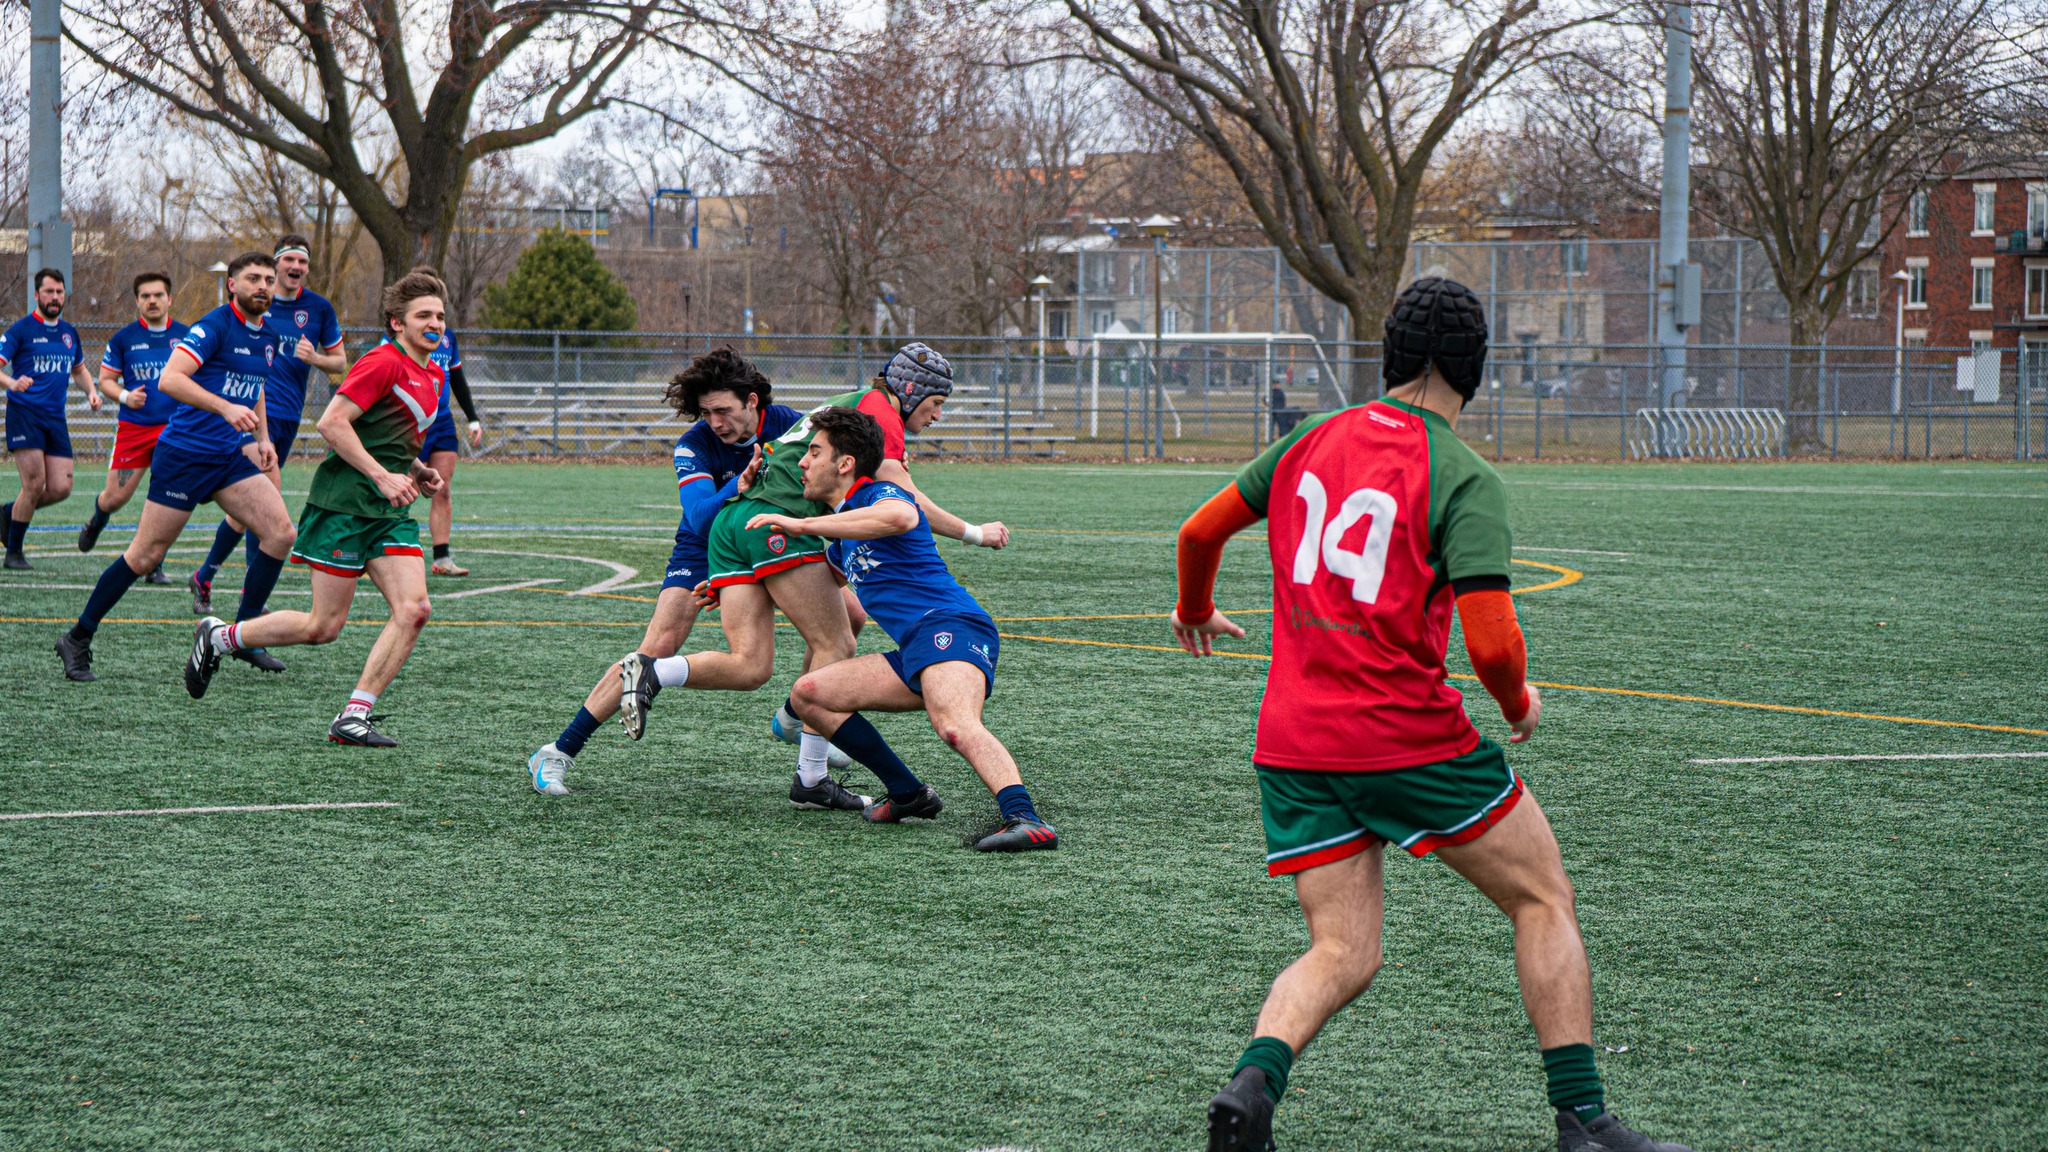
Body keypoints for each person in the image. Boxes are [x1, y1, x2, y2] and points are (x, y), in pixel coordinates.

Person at [1174, 278, 1689, 1152]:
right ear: (1474, 368)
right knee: (1541, 897)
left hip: (1295, 743)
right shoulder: (1463, 474)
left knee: (1343, 950)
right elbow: (1490, 644)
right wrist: (1519, 703)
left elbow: (1197, 533)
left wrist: (1193, 609)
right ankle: (1584, 1121)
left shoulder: (1307, 439)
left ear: (1392, 355)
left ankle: (1253, 1087)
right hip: (1404, 739)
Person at [612, 343, 1009, 791]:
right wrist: (975, 532)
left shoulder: (852, 405)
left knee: (758, 662)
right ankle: (812, 775)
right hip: (770, 523)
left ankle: (672, 676)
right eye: (936, 404)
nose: (937, 416)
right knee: (835, 641)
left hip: (740, 525)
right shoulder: (880, 412)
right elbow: (906, 503)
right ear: (911, 391)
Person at [528, 347, 849, 801]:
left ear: (753, 401)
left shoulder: (795, 427)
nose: (715, 422)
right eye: (706, 412)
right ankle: (558, 751)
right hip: (705, 545)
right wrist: (736, 487)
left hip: (772, 537)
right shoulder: (694, 444)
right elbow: (699, 516)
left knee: (846, 619)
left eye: (723, 411)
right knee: (658, 647)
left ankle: (800, 716)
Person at [751, 405, 1057, 852]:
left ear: (845, 464)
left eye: (813, 452)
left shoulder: (881, 494)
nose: (801, 462)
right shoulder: (841, 542)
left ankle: (1027, 819)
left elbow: (902, 517)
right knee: (810, 694)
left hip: (953, 626)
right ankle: (907, 793)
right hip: (916, 647)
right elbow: (808, 585)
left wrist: (801, 523)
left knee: (954, 724)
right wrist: (726, 589)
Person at [181, 270, 452, 747]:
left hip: (386, 510)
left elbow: (381, 436)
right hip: (343, 508)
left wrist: (415, 470)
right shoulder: (381, 362)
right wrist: (382, 476)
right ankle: (220, 637)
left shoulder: (433, 371)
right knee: (322, 627)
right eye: (424, 315)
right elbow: (332, 424)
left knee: (415, 610)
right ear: (397, 323)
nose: (435, 323)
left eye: (440, 316)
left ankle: (354, 716)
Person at [55, 253, 294, 683]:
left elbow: (253, 388)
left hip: (227, 456)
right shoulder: (214, 326)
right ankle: (77, 637)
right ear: (232, 286)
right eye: (252, 278)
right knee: (146, 557)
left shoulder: (269, 337)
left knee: (280, 532)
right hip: (184, 455)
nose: (262, 285)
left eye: (268, 279)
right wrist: (224, 408)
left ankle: (242, 635)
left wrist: (263, 440)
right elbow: (170, 379)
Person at [187, 234, 346, 671]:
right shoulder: (255, 303)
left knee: (247, 515)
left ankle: (205, 577)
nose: (294, 267)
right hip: (252, 419)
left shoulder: (319, 309)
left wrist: (315, 358)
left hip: (287, 418)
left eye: (301, 261)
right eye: (287, 260)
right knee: (273, 520)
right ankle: (248, 628)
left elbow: (340, 363)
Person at [76, 272, 189, 585]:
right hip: (135, 430)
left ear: (169, 299)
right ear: (137, 301)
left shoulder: (188, 336)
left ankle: (154, 564)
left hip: (176, 430)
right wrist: (127, 396)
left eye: (158, 295)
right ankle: (97, 521)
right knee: (115, 499)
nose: (152, 301)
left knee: (167, 497)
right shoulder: (124, 339)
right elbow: (106, 382)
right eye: (145, 296)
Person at [1, 267, 100, 569]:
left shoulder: (69, 333)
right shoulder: (21, 330)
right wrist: (12, 383)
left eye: (59, 292)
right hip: (25, 414)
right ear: (36, 295)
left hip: (55, 419)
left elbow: (79, 370)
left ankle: (8, 514)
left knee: (61, 488)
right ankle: (14, 553)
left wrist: (92, 392)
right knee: (34, 484)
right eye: (48, 292)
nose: (54, 297)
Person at [413, 302, 483, 576]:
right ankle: (377, 550)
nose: (435, 321)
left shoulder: (448, 338)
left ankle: (441, 558)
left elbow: (457, 378)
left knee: (442, 488)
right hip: (412, 422)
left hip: (442, 421)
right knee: (403, 489)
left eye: (439, 314)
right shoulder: (401, 337)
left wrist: (473, 418)